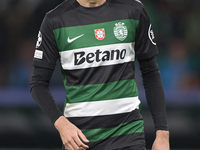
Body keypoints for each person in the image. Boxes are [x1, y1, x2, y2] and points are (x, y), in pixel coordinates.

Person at [30, 0, 170, 150]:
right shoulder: (55, 20)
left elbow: (151, 73)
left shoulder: (133, 10)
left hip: (128, 136)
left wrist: (162, 134)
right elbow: (38, 83)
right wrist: (62, 124)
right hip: (80, 141)